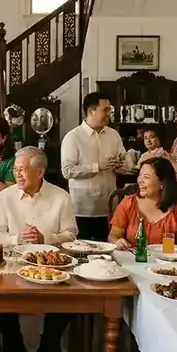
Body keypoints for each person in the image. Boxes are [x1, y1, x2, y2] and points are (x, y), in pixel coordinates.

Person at [0, 147, 78, 352]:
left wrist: (45, 238)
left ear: (40, 172)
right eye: (15, 170)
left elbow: (71, 235)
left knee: (68, 304)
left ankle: (46, 351)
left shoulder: (61, 197)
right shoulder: (5, 197)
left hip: (51, 265)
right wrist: (16, 238)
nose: (17, 175)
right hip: (13, 263)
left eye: (22, 170)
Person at [61, 92, 125, 241]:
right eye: (105, 110)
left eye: (110, 110)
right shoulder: (73, 137)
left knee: (108, 250)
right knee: (81, 250)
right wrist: (97, 167)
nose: (109, 114)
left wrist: (121, 164)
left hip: (109, 207)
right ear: (91, 111)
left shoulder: (113, 135)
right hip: (82, 209)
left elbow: (125, 162)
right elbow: (67, 171)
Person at [108, 158, 177, 248]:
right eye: (140, 175)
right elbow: (113, 236)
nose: (140, 181)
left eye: (146, 177)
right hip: (133, 256)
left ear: (162, 183)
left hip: (167, 256)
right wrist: (117, 242)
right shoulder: (128, 203)